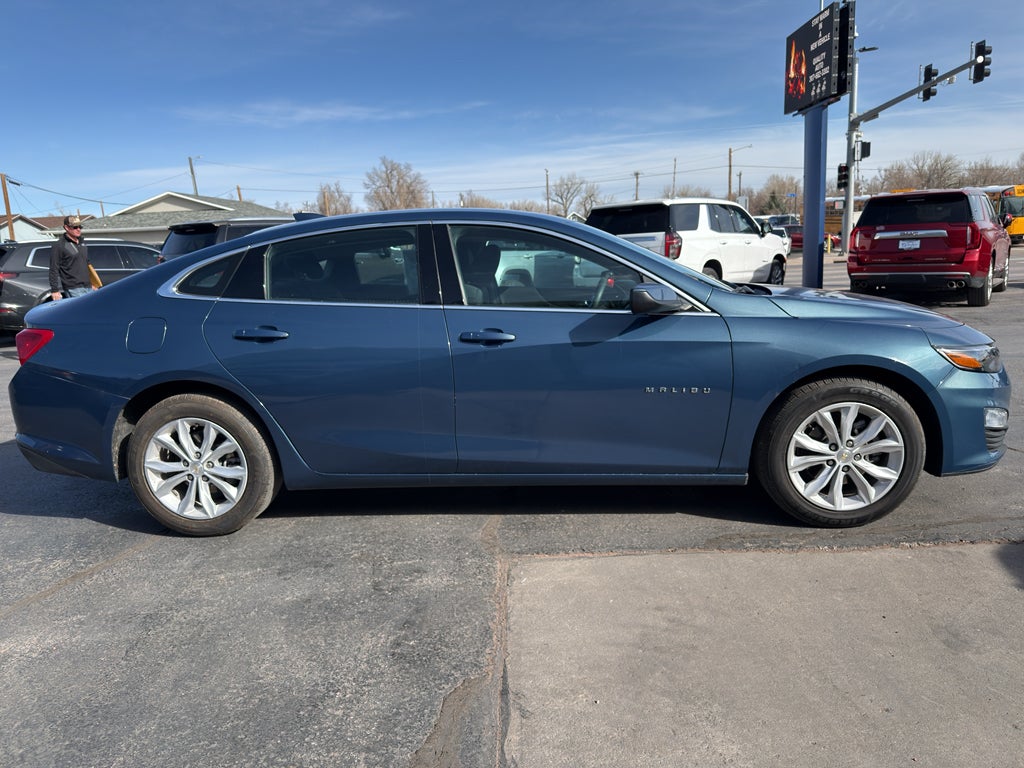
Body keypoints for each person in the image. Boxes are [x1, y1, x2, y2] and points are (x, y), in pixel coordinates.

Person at [49, 215, 93, 300]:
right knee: (81, 312)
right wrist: (54, 290)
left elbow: (87, 263)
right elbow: (54, 268)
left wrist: (93, 283)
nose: (78, 229)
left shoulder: (82, 243)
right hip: (74, 288)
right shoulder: (60, 245)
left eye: (80, 226)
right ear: (66, 227)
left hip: (88, 286)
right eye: (75, 227)